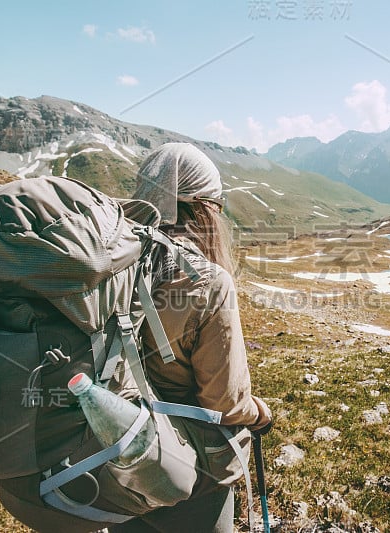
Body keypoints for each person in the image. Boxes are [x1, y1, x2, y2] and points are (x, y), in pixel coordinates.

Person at [109, 143, 272, 533]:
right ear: (203, 207)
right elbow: (226, 406)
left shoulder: (112, 263)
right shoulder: (207, 282)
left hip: (113, 454)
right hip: (188, 469)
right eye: (217, 205)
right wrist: (261, 414)